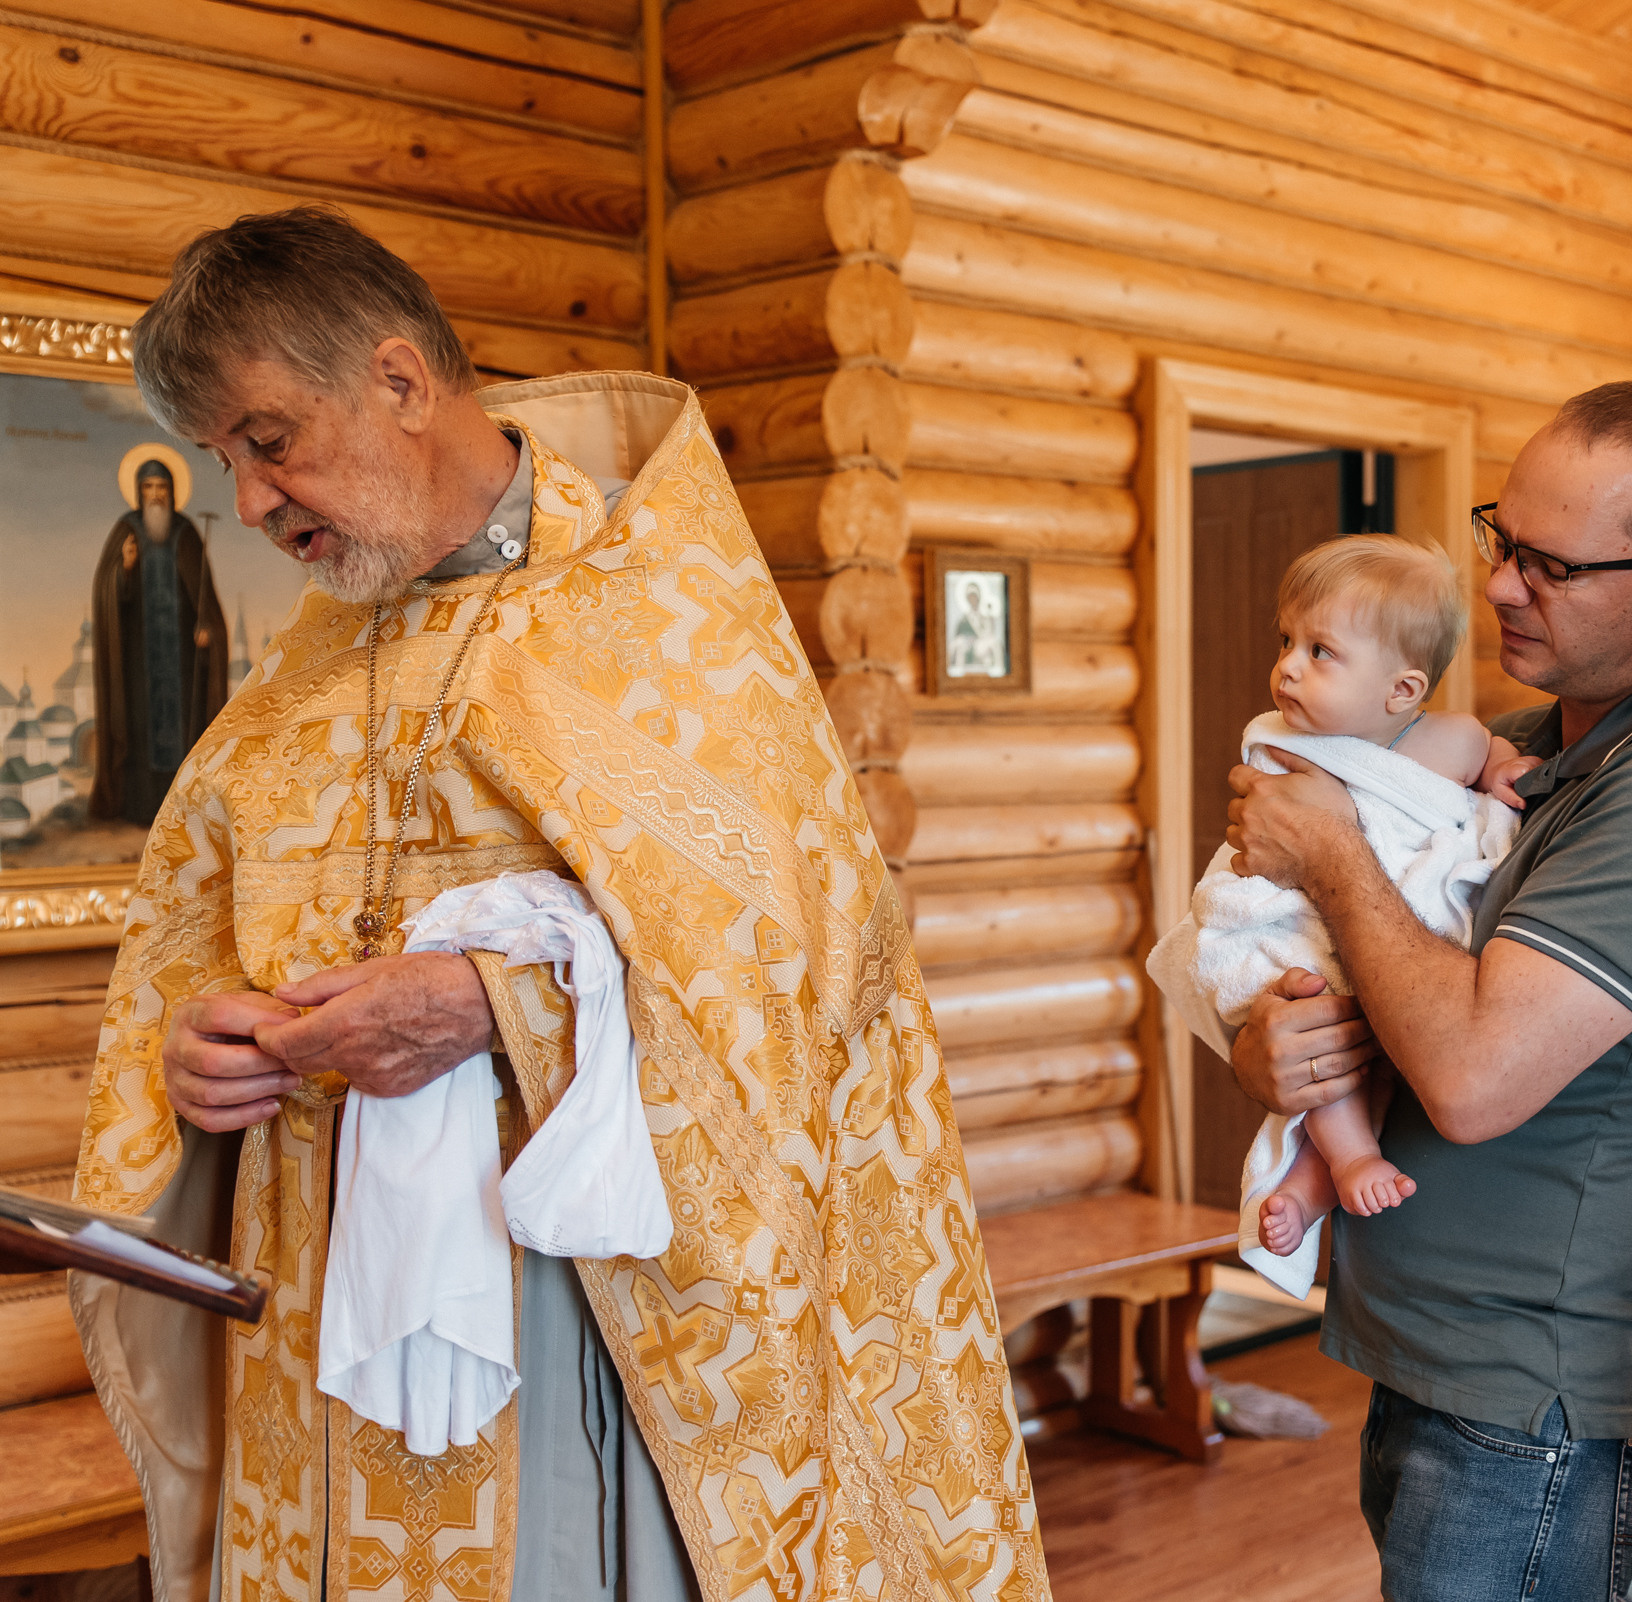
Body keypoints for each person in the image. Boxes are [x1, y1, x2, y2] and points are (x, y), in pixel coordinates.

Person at [69, 207, 1047, 1602]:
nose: (253, 503)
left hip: (573, 1303)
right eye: (225, 460)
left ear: (400, 381)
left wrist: (499, 1004)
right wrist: (195, 1055)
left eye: (269, 439)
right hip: (319, 1318)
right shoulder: (300, 674)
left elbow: (794, 964)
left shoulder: (662, 614)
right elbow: (196, 945)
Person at [1223, 381, 1632, 1602]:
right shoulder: (1514, 746)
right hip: (1439, 1366)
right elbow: (1335, 964)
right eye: (1504, 539)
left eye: (1554, 566)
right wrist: (1270, 1046)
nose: (1498, 586)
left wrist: (1331, 852)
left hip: (1540, 1406)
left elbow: (1472, 1078)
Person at [1146, 535, 1527, 1287]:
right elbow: (1269, 847)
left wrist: (1509, 771)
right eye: (1286, 641)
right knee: (1329, 1048)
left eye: (1320, 651)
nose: (1288, 666)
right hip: (1308, 935)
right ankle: (1344, 1162)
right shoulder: (1287, 747)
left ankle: (1314, 1184)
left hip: (1409, 938)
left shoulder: (1455, 737)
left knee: (1386, 1056)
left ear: (1402, 690)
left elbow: (1491, 764)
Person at [89, 450, 228, 824]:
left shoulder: (186, 532)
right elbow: (106, 590)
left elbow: (205, 597)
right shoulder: (126, 531)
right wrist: (124, 570)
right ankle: (140, 809)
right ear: (138, 490)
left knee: (183, 729)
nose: (155, 495)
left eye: (161, 487)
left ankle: (186, 810)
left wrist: (206, 627)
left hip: (181, 658)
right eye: (148, 487)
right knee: (140, 728)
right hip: (138, 658)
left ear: (172, 491)